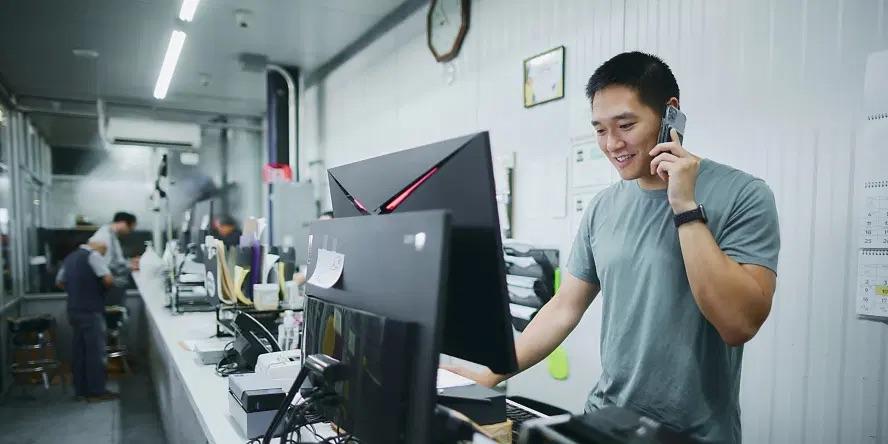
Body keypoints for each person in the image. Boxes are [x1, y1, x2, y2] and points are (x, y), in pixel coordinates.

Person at [447, 52, 780, 444]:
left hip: (693, 435)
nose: (612, 144)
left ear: (670, 113)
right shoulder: (604, 206)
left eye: (625, 125)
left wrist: (685, 206)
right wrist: (489, 375)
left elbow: (738, 324)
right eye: (600, 130)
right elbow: (563, 307)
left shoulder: (744, 194)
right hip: (604, 424)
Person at [56, 241, 117, 401]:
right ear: (98, 247)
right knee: (96, 352)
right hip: (91, 309)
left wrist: (77, 290)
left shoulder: (69, 258)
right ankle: (97, 391)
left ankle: (81, 390)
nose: (103, 254)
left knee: (79, 351)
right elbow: (108, 280)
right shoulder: (94, 256)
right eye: (104, 252)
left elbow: (60, 282)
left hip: (74, 309)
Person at [89, 212, 139, 287]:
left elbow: (116, 260)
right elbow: (107, 264)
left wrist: (130, 261)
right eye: (130, 228)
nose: (130, 231)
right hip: (103, 283)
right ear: (123, 223)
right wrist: (129, 266)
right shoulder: (104, 236)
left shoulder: (112, 235)